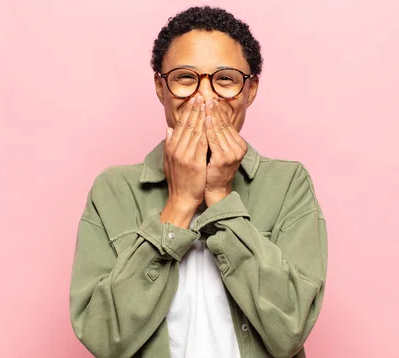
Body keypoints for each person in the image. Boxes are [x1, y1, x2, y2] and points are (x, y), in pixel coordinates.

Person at [69, 6, 328, 358]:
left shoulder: (288, 184)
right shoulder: (113, 190)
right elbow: (101, 336)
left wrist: (221, 198)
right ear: (161, 88)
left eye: (225, 79)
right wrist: (178, 206)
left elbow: (290, 330)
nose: (204, 97)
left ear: (250, 91)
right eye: (186, 78)